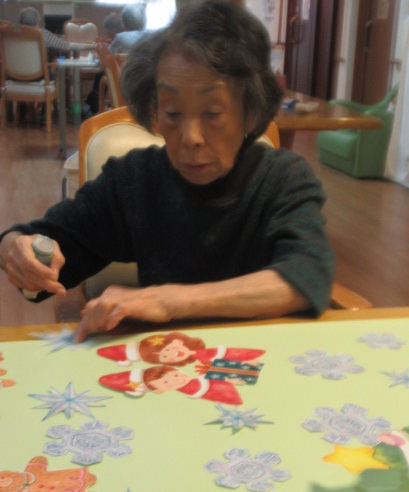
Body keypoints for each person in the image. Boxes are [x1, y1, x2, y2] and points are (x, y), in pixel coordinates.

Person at [0, 0, 334, 343]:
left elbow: (306, 274)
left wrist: (169, 300)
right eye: (173, 113)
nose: (191, 138)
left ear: (250, 112)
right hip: (163, 362)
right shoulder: (135, 182)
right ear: (155, 112)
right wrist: (18, 250)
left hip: (263, 358)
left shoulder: (283, 179)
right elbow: (44, 242)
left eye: (212, 113)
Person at [19, 7, 95, 56]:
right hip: (40, 76)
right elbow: (68, 46)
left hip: (14, 76)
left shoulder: (12, 34)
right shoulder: (43, 34)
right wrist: (95, 46)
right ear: (37, 21)